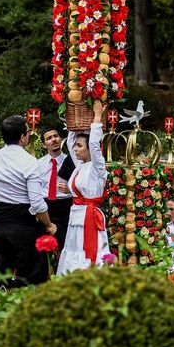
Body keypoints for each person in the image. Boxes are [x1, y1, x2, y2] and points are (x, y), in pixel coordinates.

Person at [0, 115, 57, 286]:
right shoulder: (29, 162)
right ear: (22, 137)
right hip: (23, 225)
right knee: (30, 277)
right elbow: (37, 203)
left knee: (0, 277)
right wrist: (48, 225)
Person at [57, 101, 110, 275]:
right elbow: (72, 141)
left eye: (80, 146)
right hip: (76, 217)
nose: (75, 149)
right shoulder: (79, 165)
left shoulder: (97, 167)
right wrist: (73, 117)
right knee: (74, 253)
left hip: (89, 218)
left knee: (88, 254)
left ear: (89, 150)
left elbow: (94, 145)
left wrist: (96, 118)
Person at [37, 127, 75, 253]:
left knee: (66, 247)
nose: (54, 140)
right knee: (43, 249)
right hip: (46, 208)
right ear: (44, 145)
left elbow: (82, 185)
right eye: (49, 138)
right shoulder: (38, 164)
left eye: (56, 136)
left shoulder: (72, 161)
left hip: (66, 207)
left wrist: (70, 190)